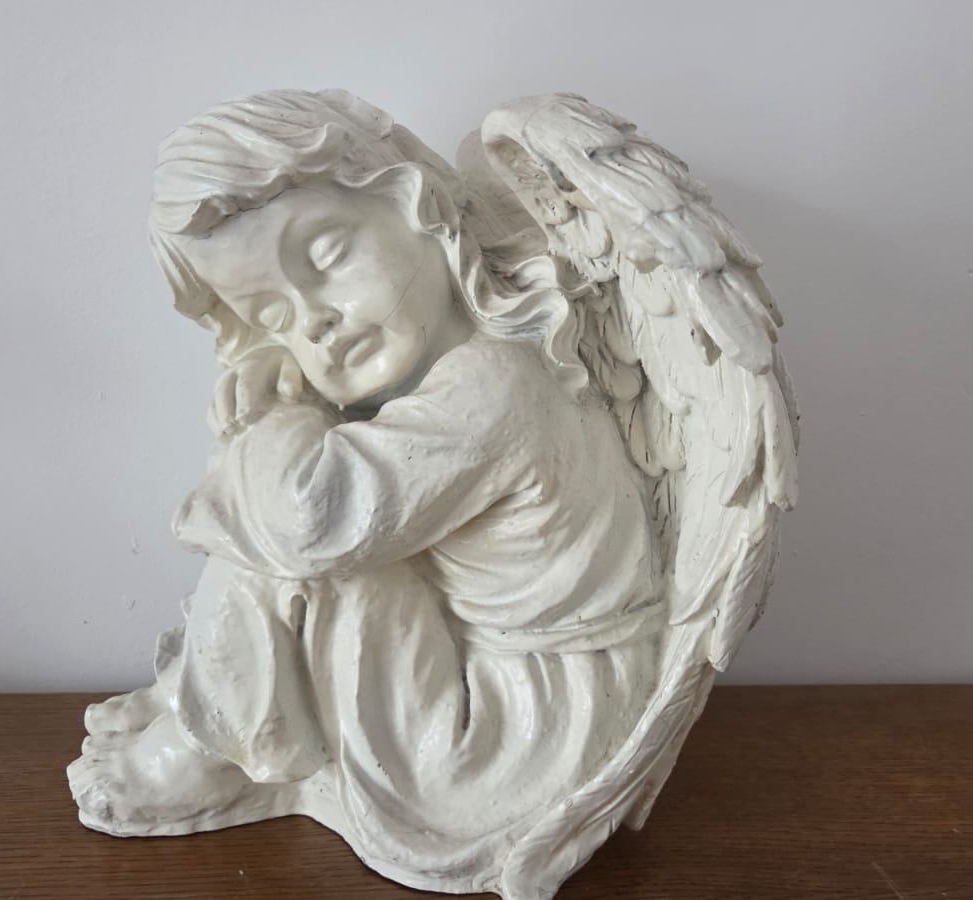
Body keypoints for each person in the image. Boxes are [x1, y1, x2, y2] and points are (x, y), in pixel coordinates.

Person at [68, 89, 665, 893]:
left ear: (424, 209)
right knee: (296, 512)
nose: (312, 322)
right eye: (272, 315)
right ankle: (205, 704)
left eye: (324, 257)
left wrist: (276, 417)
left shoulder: (495, 387)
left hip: (511, 742)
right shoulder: (454, 372)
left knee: (298, 536)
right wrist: (290, 393)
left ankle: (207, 744)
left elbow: (311, 519)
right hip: (493, 689)